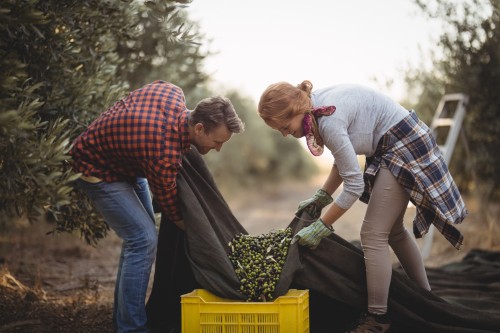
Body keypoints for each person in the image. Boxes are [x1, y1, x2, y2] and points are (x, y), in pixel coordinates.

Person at [257, 80, 467, 333]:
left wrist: (323, 225)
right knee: (393, 230)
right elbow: (342, 159)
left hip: (403, 144)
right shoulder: (312, 103)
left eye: (284, 126)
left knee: (372, 234)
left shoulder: (328, 120)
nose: (284, 133)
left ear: (295, 110)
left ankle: (378, 319)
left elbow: (354, 185)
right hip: (394, 142)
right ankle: (426, 298)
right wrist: (322, 196)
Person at [70, 80, 244, 333]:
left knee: (138, 240)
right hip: (95, 168)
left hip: (128, 165)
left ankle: (122, 320)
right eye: (217, 142)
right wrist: (201, 234)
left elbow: (158, 85)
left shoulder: (172, 91)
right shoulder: (163, 152)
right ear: (198, 127)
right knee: (143, 239)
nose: (217, 149)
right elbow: (174, 212)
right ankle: (132, 328)